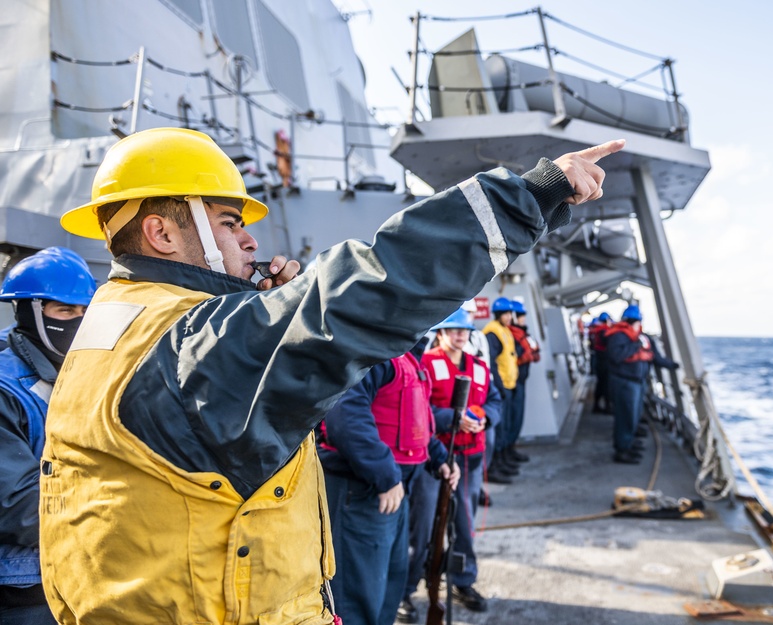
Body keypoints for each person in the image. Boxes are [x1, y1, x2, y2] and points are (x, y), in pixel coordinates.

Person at [37, 126, 623, 624]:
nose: (249, 238)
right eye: (225, 221)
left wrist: (250, 310)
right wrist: (533, 194)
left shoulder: (115, 322)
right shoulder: (199, 345)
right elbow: (366, 290)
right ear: (161, 233)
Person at [317, 353, 459, 625]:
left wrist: (439, 458)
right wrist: (385, 475)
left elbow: (415, 416)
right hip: (363, 492)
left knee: (388, 587)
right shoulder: (373, 352)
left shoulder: (406, 358)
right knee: (358, 596)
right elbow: (345, 416)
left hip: (393, 492)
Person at [0, 248, 95, 624]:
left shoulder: (85, 368)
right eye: (65, 311)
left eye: (86, 313)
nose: (79, 322)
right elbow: (16, 507)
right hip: (27, 589)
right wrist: (116, 495)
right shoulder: (6, 389)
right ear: (28, 312)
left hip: (83, 572)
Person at [409, 308, 501, 614]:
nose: (461, 335)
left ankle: (462, 579)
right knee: (422, 525)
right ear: (441, 333)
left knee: (465, 523)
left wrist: (484, 418)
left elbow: (494, 400)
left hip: (470, 456)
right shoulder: (425, 364)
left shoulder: (478, 367)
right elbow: (416, 409)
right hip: (434, 459)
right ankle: (407, 587)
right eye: (454, 330)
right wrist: (453, 418)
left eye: (465, 331)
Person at [604, 305, 679, 464]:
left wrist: (672, 365)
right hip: (624, 382)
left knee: (634, 415)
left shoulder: (643, 337)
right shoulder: (619, 336)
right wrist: (636, 345)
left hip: (638, 383)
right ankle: (622, 450)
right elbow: (616, 356)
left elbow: (655, 357)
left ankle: (628, 443)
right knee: (625, 417)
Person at [481, 297, 519, 482]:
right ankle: (494, 466)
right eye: (505, 313)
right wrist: (498, 387)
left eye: (510, 313)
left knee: (508, 424)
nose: (509, 317)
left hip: (509, 384)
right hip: (501, 386)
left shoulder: (504, 330)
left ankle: (504, 459)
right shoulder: (492, 333)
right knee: (500, 427)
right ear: (498, 314)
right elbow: (492, 363)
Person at [503, 299, 540, 464]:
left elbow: (534, 350)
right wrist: (528, 356)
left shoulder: (522, 334)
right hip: (513, 383)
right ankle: (505, 452)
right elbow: (516, 356)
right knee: (510, 418)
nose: (524, 319)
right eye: (521, 315)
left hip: (520, 381)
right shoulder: (511, 334)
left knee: (517, 418)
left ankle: (511, 448)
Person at [589, 311, 612, 412]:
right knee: (605, 385)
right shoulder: (604, 332)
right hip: (604, 362)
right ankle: (606, 407)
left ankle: (597, 406)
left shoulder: (598, 331)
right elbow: (608, 344)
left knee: (601, 384)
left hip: (600, 360)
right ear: (607, 320)